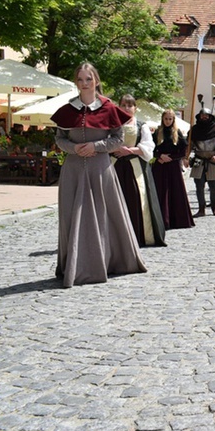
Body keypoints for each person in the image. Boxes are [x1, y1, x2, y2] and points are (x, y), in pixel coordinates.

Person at [50, 62, 146, 287]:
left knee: (104, 216)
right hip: (73, 170)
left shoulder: (109, 108)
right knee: (70, 218)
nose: (84, 84)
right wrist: (73, 148)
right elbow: (59, 139)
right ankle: (71, 265)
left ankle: (108, 261)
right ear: (76, 82)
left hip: (99, 169)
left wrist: (96, 146)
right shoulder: (67, 110)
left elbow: (118, 139)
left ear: (97, 81)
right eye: (80, 79)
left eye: (88, 79)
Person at [110, 94, 166, 247]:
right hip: (113, 167)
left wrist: (129, 151)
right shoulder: (112, 124)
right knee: (113, 200)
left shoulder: (142, 126)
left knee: (136, 198)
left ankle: (138, 235)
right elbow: (104, 142)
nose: (127, 108)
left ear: (135, 108)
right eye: (123, 105)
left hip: (135, 168)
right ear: (118, 107)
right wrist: (116, 148)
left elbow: (148, 147)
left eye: (130, 105)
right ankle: (114, 238)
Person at [152, 109, 195, 229]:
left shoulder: (177, 132)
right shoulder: (157, 132)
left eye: (170, 119)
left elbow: (183, 150)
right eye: (166, 119)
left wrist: (171, 157)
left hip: (173, 166)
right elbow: (151, 148)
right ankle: (161, 219)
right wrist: (159, 156)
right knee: (160, 191)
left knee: (175, 191)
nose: (168, 121)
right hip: (159, 165)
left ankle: (176, 220)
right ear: (162, 119)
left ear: (173, 120)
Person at [189, 108, 215, 216]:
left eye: (206, 115)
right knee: (199, 186)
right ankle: (201, 209)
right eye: (202, 115)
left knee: (213, 186)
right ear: (199, 116)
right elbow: (188, 146)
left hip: (212, 161)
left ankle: (214, 207)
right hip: (198, 159)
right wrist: (185, 158)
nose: (204, 117)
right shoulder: (194, 130)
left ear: (210, 117)